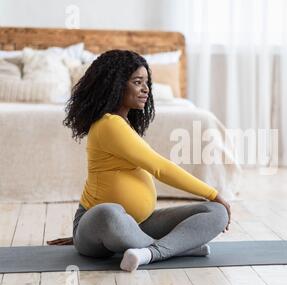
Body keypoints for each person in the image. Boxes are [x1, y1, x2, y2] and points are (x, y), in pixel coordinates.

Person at [47, 49, 231, 272]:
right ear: (115, 85)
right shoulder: (109, 124)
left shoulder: (124, 124)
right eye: (137, 82)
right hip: (100, 222)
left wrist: (214, 202)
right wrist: (214, 193)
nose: (146, 89)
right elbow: (160, 167)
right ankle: (175, 248)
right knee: (109, 212)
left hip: (141, 223)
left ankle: (150, 252)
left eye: (146, 83)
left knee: (216, 212)